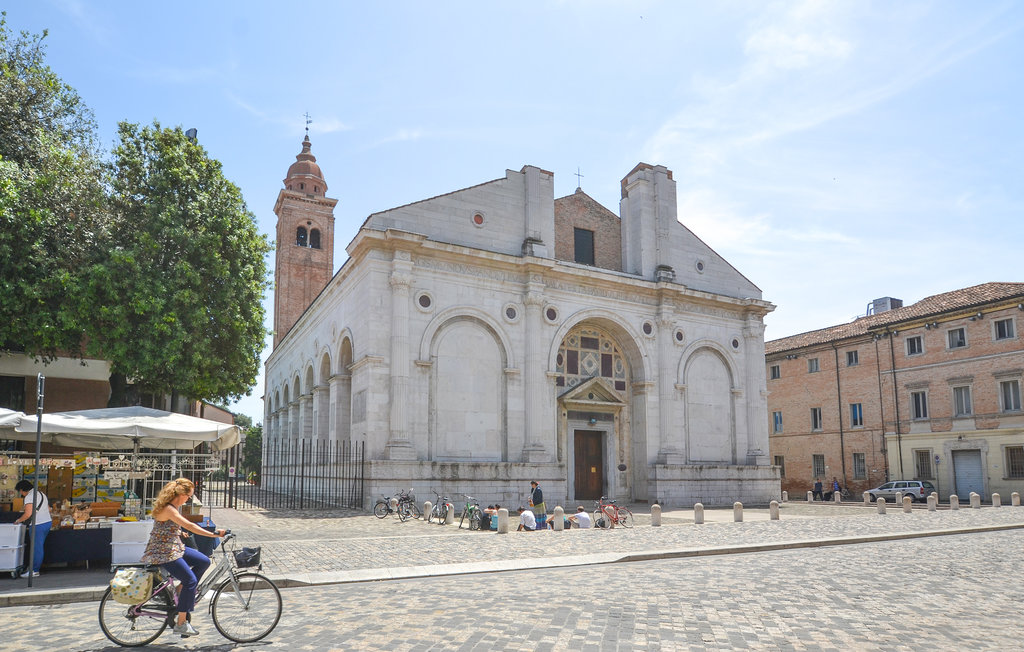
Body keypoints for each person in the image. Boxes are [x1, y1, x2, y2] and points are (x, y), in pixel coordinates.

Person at [140, 478, 225, 638]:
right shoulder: (169, 509)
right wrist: (213, 534)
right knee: (191, 580)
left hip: (175, 546)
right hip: (164, 551)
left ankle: (179, 591)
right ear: (181, 494)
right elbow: (190, 525)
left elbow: (166, 527)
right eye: (189, 496)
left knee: (204, 561)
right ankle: (181, 623)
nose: (189, 500)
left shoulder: (174, 507)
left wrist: (179, 532)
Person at [14, 480, 51, 578]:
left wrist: (18, 520)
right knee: (39, 546)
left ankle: (34, 570)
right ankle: (33, 568)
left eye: (20, 491)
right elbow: (49, 508)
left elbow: (28, 514)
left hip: (37, 524)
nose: (21, 494)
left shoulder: (29, 497)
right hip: (47, 522)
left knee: (36, 548)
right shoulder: (41, 494)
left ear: (22, 490)